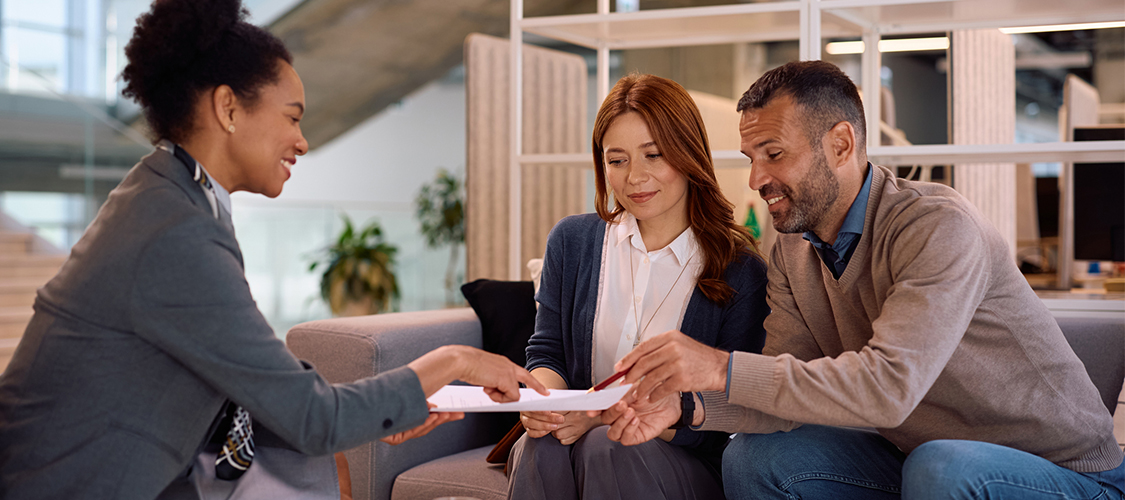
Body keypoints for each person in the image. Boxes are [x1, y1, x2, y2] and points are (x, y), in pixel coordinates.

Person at [0, 1, 546, 498]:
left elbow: (269, 387)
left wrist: (381, 407)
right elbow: (313, 419)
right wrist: (455, 360)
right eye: (292, 116)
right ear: (228, 108)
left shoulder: (170, 195)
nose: (302, 141)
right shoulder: (173, 232)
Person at [597, 60, 1125, 499]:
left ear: (841, 144)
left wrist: (717, 366)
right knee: (757, 457)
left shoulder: (936, 227)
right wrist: (686, 406)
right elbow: (781, 390)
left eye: (774, 155)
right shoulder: (792, 250)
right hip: (920, 463)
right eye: (751, 159)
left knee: (942, 468)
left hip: (1066, 475)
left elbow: (888, 388)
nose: (756, 179)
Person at [505, 73, 769, 500]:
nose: (635, 177)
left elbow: (727, 411)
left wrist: (601, 416)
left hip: (679, 457)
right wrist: (546, 405)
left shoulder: (741, 271)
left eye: (653, 155)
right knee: (540, 443)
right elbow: (547, 351)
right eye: (617, 160)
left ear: (688, 153)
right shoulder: (572, 242)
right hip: (578, 441)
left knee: (609, 445)